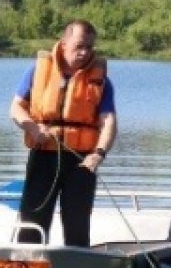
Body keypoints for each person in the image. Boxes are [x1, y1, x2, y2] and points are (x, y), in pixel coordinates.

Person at [9, 19, 117, 247]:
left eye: (89, 47)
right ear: (64, 43)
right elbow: (16, 107)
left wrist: (98, 154)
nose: (84, 52)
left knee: (77, 223)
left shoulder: (101, 80)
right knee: (32, 222)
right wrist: (31, 126)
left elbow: (108, 121)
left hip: (81, 161)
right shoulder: (38, 70)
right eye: (79, 46)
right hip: (44, 155)